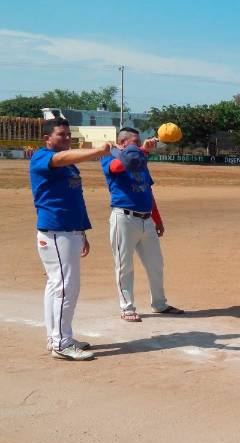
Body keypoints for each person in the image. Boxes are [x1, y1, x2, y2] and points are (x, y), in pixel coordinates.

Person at [30, 117, 111, 360]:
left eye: (68, 135)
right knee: (66, 287)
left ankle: (57, 337)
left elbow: (74, 198)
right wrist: (97, 151)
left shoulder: (69, 167)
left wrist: (81, 232)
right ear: (47, 138)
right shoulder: (42, 158)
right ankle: (61, 343)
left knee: (57, 286)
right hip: (56, 231)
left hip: (69, 230)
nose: (66, 138)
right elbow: (62, 157)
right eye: (61, 135)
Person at [100, 127, 183, 322]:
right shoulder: (109, 157)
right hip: (124, 219)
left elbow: (147, 192)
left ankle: (159, 304)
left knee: (156, 264)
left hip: (146, 220)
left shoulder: (140, 160)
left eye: (139, 142)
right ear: (121, 144)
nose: (139, 144)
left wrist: (157, 218)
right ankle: (127, 308)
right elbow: (117, 169)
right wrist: (143, 150)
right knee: (124, 266)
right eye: (135, 142)